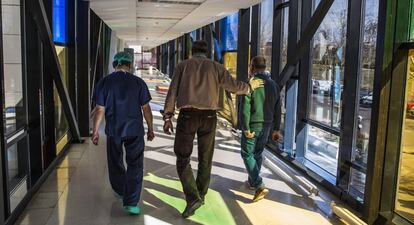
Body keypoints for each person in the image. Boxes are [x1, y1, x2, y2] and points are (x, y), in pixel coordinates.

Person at [163, 40, 264, 218]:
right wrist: (249, 87)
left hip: (187, 116)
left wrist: (167, 116)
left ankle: (193, 197)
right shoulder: (217, 67)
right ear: (207, 52)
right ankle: (200, 195)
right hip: (209, 118)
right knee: (205, 159)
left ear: (192, 52)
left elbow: (173, 91)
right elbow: (233, 87)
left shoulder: (182, 66)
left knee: (182, 157)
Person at [92, 51, 154, 215]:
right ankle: (131, 202)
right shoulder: (138, 82)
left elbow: (99, 109)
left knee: (115, 161)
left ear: (115, 65)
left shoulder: (104, 82)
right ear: (130, 65)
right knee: (135, 164)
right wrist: (151, 128)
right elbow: (146, 108)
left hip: (114, 130)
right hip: (134, 130)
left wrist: (95, 131)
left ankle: (120, 189)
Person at [241, 56, 281, 202]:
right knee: (257, 153)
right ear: (265, 67)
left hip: (252, 125)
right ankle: (252, 182)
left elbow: (245, 108)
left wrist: (245, 127)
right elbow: (278, 108)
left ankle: (258, 184)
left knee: (246, 154)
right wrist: (276, 129)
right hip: (267, 125)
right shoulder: (273, 84)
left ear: (252, 67)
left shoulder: (251, 83)